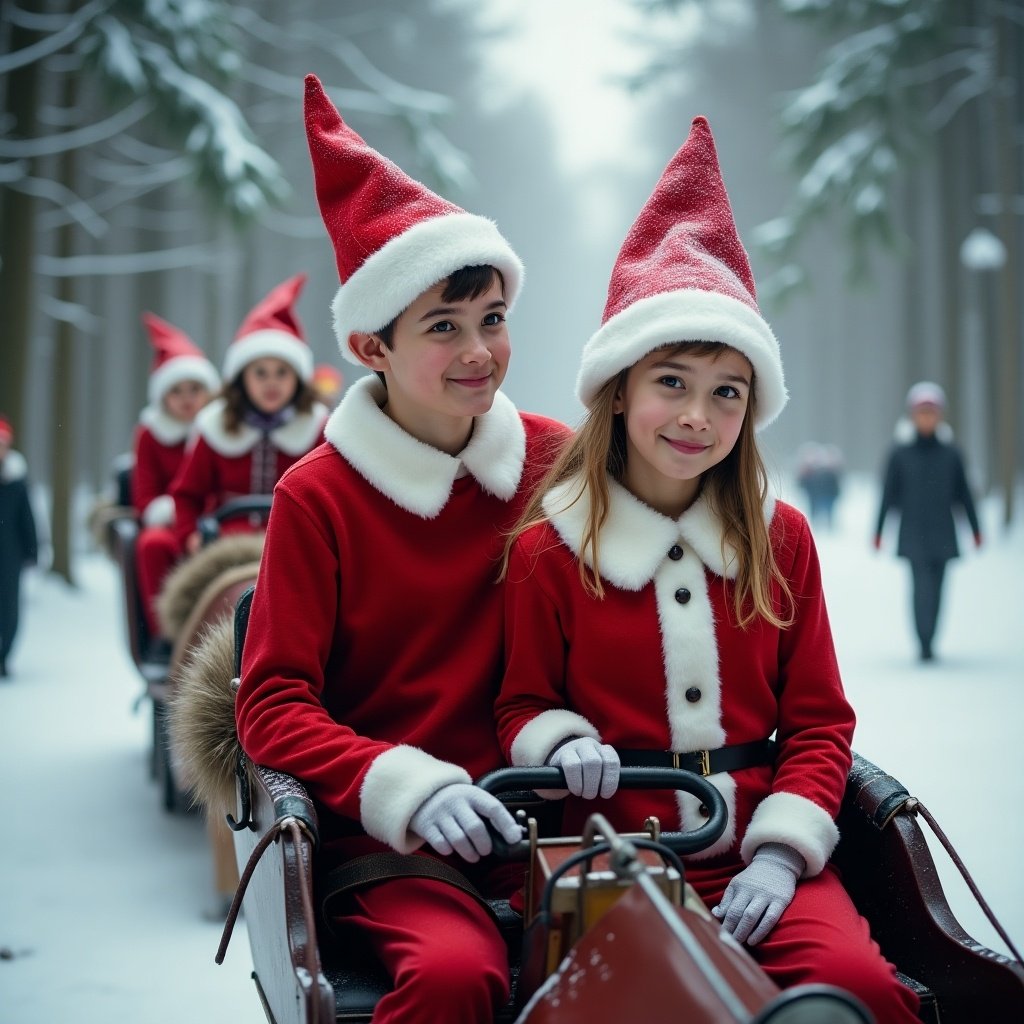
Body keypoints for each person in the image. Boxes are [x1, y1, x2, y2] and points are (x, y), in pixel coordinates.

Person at [495, 117, 920, 1023]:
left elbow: (818, 723)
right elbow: (520, 705)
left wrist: (782, 850)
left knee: (864, 991)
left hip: (760, 846)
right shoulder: (550, 549)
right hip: (610, 852)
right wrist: (559, 740)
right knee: (667, 1002)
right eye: (673, 382)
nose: (698, 415)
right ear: (620, 392)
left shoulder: (783, 539)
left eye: (727, 391)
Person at [233, 76, 570, 1024]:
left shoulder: (557, 461)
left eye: (492, 320)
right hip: (396, 836)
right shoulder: (320, 495)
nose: (479, 352)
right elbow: (272, 703)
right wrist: (404, 788)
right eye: (443, 329)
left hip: (564, 810)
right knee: (457, 978)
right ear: (372, 347)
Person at [170, 273, 328, 558]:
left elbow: (331, 494)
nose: (271, 382)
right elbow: (186, 495)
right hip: (225, 546)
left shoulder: (317, 427)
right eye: (260, 373)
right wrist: (190, 536)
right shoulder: (214, 425)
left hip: (295, 543)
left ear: (298, 379)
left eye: (282, 372)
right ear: (243, 378)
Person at [874, 381, 982, 662]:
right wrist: (878, 530)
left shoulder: (952, 454)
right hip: (913, 534)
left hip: (943, 534)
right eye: (921, 412)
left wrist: (976, 529)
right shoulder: (900, 453)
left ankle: (931, 637)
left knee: (938, 591)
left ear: (940, 416)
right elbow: (887, 495)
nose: (926, 417)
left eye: (931, 412)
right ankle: (924, 643)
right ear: (912, 415)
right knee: (921, 589)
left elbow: (964, 494)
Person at [132, 313, 220, 639]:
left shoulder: (224, 428)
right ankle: (165, 636)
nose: (187, 398)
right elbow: (145, 497)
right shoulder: (150, 434)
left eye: (195, 388)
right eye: (177, 390)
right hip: (173, 524)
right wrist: (180, 515)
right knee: (152, 544)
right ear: (162, 396)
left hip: (217, 518)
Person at [0, 416, 39, 678]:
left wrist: (31, 551)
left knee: (9, 609)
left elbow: (27, 518)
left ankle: (4, 657)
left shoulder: (15, 481)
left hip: (9, 556)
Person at [795, 441, 842, 530]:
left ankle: (828, 526)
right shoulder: (810, 471)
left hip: (828, 494)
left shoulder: (829, 471)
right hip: (814, 495)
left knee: (828, 511)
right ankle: (816, 525)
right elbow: (802, 483)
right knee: (815, 510)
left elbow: (836, 483)